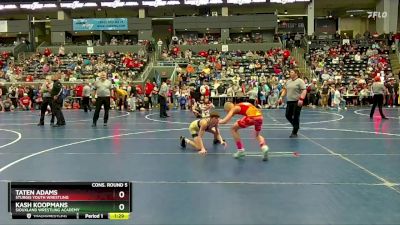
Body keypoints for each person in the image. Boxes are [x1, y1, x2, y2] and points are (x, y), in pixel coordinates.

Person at [279, 69, 307, 138]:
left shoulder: (300, 81)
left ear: (296, 73)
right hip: (289, 101)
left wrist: (301, 99)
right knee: (287, 115)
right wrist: (280, 97)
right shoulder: (288, 81)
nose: (290, 73)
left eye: (291, 72)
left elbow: (304, 90)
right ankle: (296, 126)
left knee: (295, 116)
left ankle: (294, 132)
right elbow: (285, 90)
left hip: (297, 102)